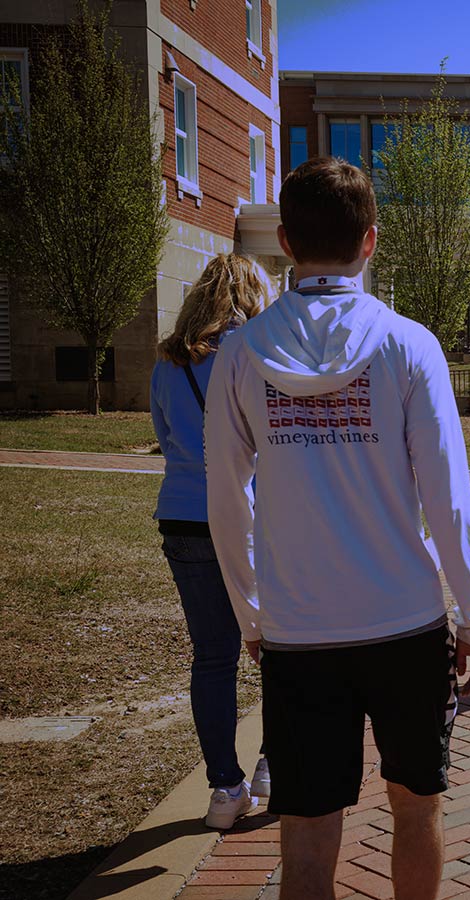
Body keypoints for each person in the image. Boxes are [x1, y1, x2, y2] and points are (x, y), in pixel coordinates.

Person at [205, 157, 470, 900]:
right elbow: (448, 496)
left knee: (305, 825)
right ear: (371, 240)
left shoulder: (239, 355)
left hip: (300, 630)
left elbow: (227, 502)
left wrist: (251, 614)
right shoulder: (409, 346)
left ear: (284, 242)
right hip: (404, 622)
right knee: (417, 805)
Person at [150, 253, 273, 830]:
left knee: (213, 656)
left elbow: (164, 435)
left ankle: (225, 787)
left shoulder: (169, 361)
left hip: (182, 516)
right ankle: (275, 761)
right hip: (250, 515)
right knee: (279, 644)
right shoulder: (256, 353)